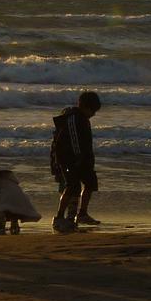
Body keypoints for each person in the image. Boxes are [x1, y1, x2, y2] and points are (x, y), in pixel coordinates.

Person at [51, 91, 102, 232]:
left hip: (83, 159)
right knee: (72, 187)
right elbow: (74, 141)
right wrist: (78, 158)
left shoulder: (84, 119)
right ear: (85, 106)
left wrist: (87, 158)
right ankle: (59, 217)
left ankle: (82, 214)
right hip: (68, 160)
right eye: (92, 111)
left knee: (90, 183)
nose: (93, 114)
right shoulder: (73, 118)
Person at [0, 167, 41, 234]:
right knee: (10, 203)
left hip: (7, 203)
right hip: (21, 201)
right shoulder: (7, 178)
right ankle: (14, 224)